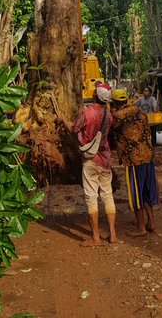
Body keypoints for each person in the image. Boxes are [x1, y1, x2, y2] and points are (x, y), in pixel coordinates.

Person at [57, 84, 118, 246]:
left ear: (95, 96)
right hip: (105, 160)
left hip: (90, 161)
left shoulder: (86, 113)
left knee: (91, 198)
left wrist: (63, 120)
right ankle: (113, 235)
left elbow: (74, 128)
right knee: (108, 196)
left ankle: (96, 238)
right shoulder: (109, 115)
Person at [111, 88, 159, 237]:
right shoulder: (139, 112)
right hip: (148, 157)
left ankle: (141, 228)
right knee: (146, 190)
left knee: (136, 193)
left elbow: (109, 131)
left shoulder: (118, 116)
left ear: (114, 103)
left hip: (133, 160)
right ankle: (151, 222)